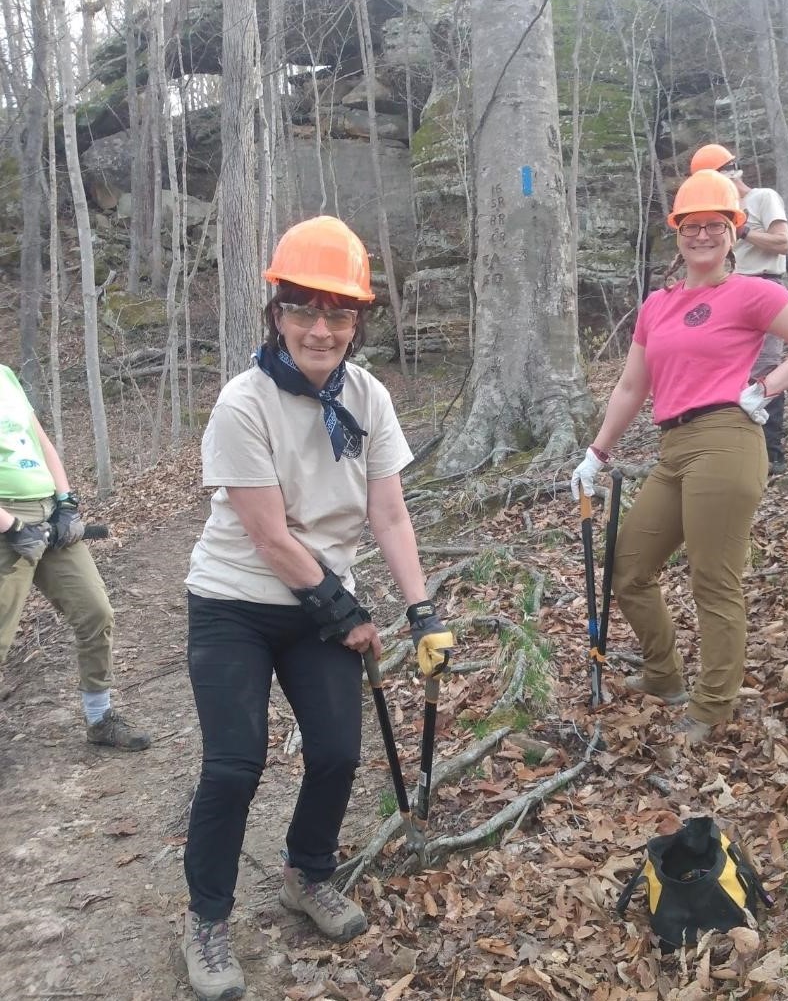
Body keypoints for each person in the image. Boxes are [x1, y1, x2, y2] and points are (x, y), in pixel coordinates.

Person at [181, 215, 455, 1001]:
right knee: (235, 764)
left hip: (318, 605)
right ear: (276, 314)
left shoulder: (367, 397)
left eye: (339, 312)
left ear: (358, 322)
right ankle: (205, 919)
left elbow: (391, 516)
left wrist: (421, 611)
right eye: (303, 308)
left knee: (336, 752)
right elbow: (268, 536)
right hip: (234, 601)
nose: (321, 328)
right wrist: (346, 611)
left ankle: (308, 871)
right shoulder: (244, 404)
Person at [571, 172, 788, 744]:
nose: (701, 235)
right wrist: (597, 452)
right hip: (672, 448)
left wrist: (767, 386)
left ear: (733, 231)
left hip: (728, 439)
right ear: (677, 232)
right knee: (628, 569)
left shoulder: (753, 291)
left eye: (714, 225)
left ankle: (712, 704)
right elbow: (630, 387)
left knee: (713, 580)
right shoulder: (657, 305)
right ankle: (664, 675)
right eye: (691, 226)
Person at [0, 365, 151, 751]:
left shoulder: (6, 375)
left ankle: (100, 719)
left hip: (47, 509)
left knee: (95, 611)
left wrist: (66, 503)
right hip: (6, 517)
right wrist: (12, 528)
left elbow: (40, 440)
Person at [690, 143, 788, 474]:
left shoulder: (762, 197)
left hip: (765, 285)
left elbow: (783, 242)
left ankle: (771, 454)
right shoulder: (720, 212)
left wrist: (744, 228)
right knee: (730, 370)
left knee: (764, 368)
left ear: (730, 172)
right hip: (731, 290)